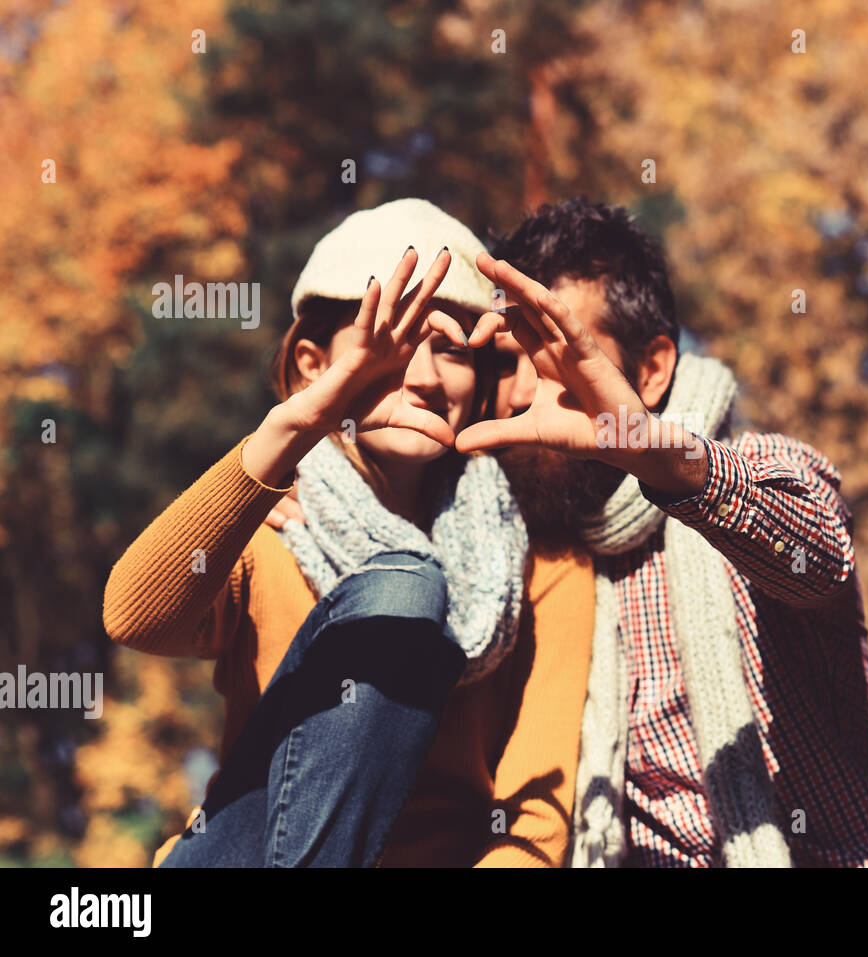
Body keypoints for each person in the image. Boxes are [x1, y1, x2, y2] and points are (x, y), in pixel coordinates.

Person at [102, 199, 593, 867]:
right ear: (312, 363)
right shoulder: (265, 522)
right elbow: (133, 617)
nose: (425, 377)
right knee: (406, 587)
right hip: (243, 853)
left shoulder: (544, 563)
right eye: (393, 344)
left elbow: (536, 823)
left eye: (450, 349)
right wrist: (295, 427)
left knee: (408, 584)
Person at [465, 198, 868, 867]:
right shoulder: (529, 547)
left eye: (558, 356)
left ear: (652, 370)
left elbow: (821, 557)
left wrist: (659, 456)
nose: (521, 394)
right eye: (510, 362)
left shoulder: (757, 466)